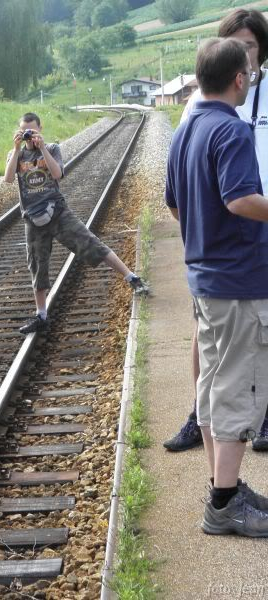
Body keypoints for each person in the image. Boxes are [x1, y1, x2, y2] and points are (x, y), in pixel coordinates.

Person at [165, 37, 268, 536]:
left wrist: (201, 237)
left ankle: (219, 484)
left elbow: (175, 204)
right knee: (237, 391)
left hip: (205, 279)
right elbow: (241, 199)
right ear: (239, 79)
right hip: (239, 283)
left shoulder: (185, 131)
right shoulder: (231, 131)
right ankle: (224, 505)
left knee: (211, 389)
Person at [3, 112, 150, 335]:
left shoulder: (52, 149)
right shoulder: (16, 153)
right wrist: (15, 150)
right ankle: (41, 315)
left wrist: (42, 148)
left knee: (90, 242)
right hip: (32, 219)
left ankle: (132, 278)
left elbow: (57, 174)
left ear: (40, 129)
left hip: (57, 212)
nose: (29, 136)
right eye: (25, 132)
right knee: (36, 266)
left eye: (32, 131)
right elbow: (7, 179)